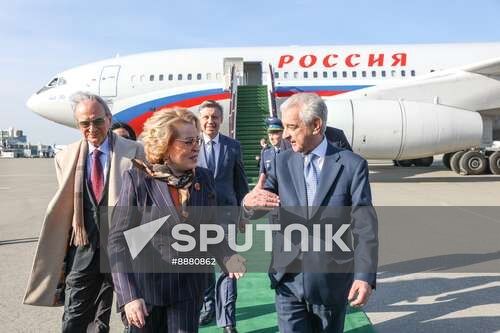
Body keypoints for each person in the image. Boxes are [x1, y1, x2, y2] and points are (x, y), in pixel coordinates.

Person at [243, 93, 378, 333]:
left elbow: (364, 225)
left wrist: (364, 275)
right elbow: (260, 205)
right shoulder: (281, 163)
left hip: (330, 281)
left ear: (316, 125)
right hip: (287, 280)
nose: (284, 135)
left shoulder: (351, 165)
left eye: (292, 127)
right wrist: (247, 204)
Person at [107, 108, 246, 332]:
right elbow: (117, 242)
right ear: (165, 144)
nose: (196, 147)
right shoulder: (138, 180)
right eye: (188, 141)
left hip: (188, 291)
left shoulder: (204, 178)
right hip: (146, 294)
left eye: (197, 140)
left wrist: (226, 255)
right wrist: (129, 296)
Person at [23, 92, 145, 333]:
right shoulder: (64, 157)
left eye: (97, 121)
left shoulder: (135, 152)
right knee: (73, 318)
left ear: (109, 119)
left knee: (137, 318)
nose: (92, 128)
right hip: (83, 250)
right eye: (84, 123)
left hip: (124, 251)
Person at [197, 100, 249, 333]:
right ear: (200, 120)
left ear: (221, 119)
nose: (210, 121)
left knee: (229, 267)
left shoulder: (233, 146)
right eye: (206, 117)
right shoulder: (190, 145)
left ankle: (228, 320)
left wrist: (243, 213)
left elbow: (240, 182)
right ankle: (207, 306)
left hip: (227, 215)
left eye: (215, 117)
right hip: (197, 217)